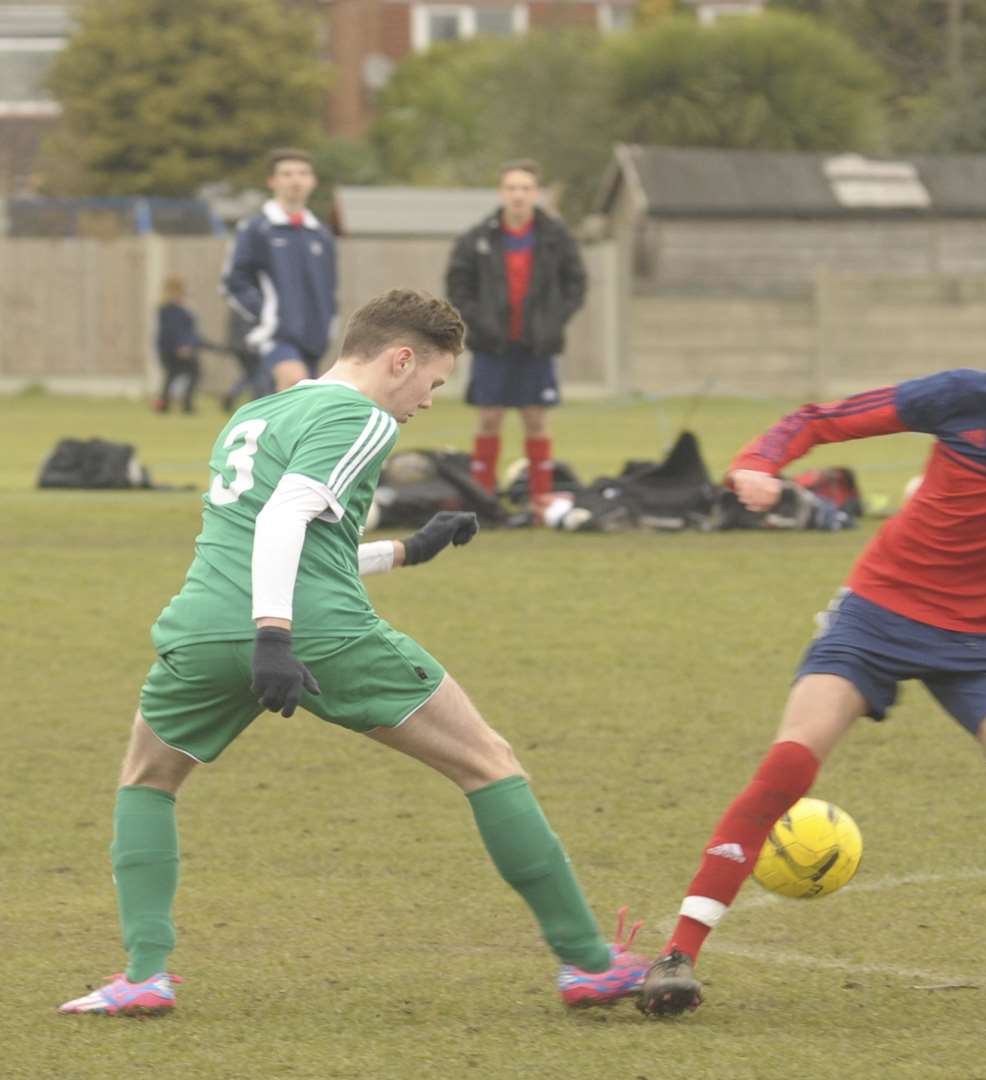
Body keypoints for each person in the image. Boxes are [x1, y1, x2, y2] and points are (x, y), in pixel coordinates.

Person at [58, 289, 648, 1018]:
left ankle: (144, 974)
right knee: (487, 762)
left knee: (147, 780)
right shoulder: (363, 416)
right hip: (312, 631)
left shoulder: (258, 413)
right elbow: (286, 517)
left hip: (204, 626)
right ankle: (588, 962)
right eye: (433, 381)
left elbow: (273, 540)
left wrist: (404, 551)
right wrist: (275, 635)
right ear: (399, 359)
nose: (429, 402)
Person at [638, 314, 986, 1021]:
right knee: (789, 759)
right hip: (878, 616)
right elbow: (821, 419)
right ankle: (678, 956)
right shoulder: (961, 396)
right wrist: (758, 462)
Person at [445, 159, 587, 504]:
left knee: (535, 418)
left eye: (525, 188)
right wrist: (479, 321)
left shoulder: (556, 237)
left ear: (535, 193)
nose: (518, 195)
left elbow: (576, 283)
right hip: (492, 344)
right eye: (512, 188)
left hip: (536, 346)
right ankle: (482, 497)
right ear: (501, 192)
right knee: (489, 417)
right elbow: (458, 285)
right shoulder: (478, 237)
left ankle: (541, 500)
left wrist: (553, 321)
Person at [221, 147, 338, 398]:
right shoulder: (256, 229)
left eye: (303, 173)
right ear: (272, 181)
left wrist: (329, 322)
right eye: (286, 174)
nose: (295, 180)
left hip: (314, 339)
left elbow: (329, 286)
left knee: (298, 414)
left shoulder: (321, 234)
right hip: (276, 336)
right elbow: (233, 282)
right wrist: (267, 317)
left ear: (313, 181)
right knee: (294, 386)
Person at [153, 275, 202, 414]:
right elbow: (175, 329)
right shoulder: (171, 308)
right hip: (177, 348)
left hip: (169, 348)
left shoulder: (168, 308)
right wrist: (182, 346)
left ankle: (164, 403)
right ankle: (185, 403)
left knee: (171, 375)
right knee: (193, 372)